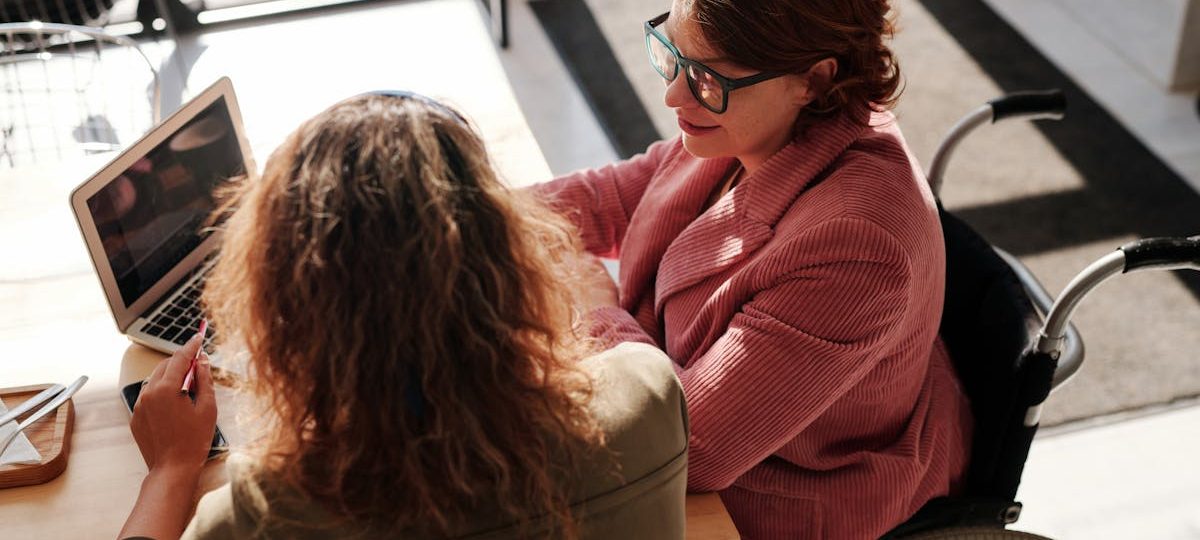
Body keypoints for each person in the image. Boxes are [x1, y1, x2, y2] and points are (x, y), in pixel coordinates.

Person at [117, 92, 689, 540]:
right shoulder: (649, 397)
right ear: (515, 259)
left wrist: (169, 472)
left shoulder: (262, 516)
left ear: (286, 311)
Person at [534, 1, 972, 537]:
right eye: (671, 51)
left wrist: (593, 304)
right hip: (684, 419)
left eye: (704, 76)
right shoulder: (753, 118)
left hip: (776, 498)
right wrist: (467, 211)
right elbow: (620, 193)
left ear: (813, 79)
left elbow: (692, 449)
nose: (673, 94)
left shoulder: (858, 246)